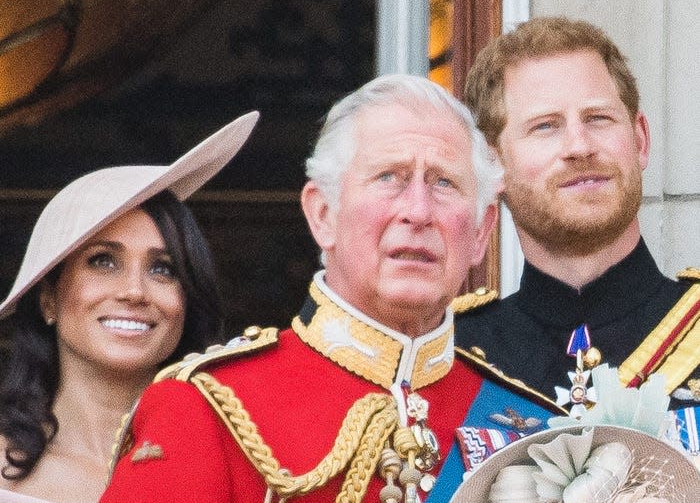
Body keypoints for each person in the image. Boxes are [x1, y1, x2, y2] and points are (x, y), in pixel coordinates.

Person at [101, 74, 564, 503]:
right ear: (322, 214)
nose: (418, 211)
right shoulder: (204, 408)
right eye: (389, 178)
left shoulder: (540, 438)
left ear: (481, 233)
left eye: (444, 183)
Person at [0, 111, 259, 503]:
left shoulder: (244, 464)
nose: (135, 291)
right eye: (103, 261)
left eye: (163, 268)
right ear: (48, 296)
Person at [454, 16, 699, 417]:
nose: (580, 146)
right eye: (546, 126)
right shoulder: (454, 360)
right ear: (492, 164)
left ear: (640, 140)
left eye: (598, 119)